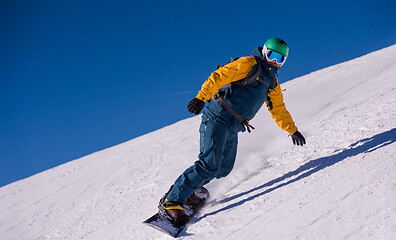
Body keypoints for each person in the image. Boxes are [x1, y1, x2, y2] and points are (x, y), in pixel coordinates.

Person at [158, 38, 306, 224]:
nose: (275, 61)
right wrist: (201, 98)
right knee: (209, 164)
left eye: (280, 59)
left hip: (233, 127)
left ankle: (189, 191)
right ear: (265, 52)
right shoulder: (249, 64)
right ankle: (172, 201)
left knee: (223, 169)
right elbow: (220, 76)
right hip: (217, 117)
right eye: (272, 55)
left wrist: (292, 130)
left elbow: (278, 109)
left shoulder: (272, 83)